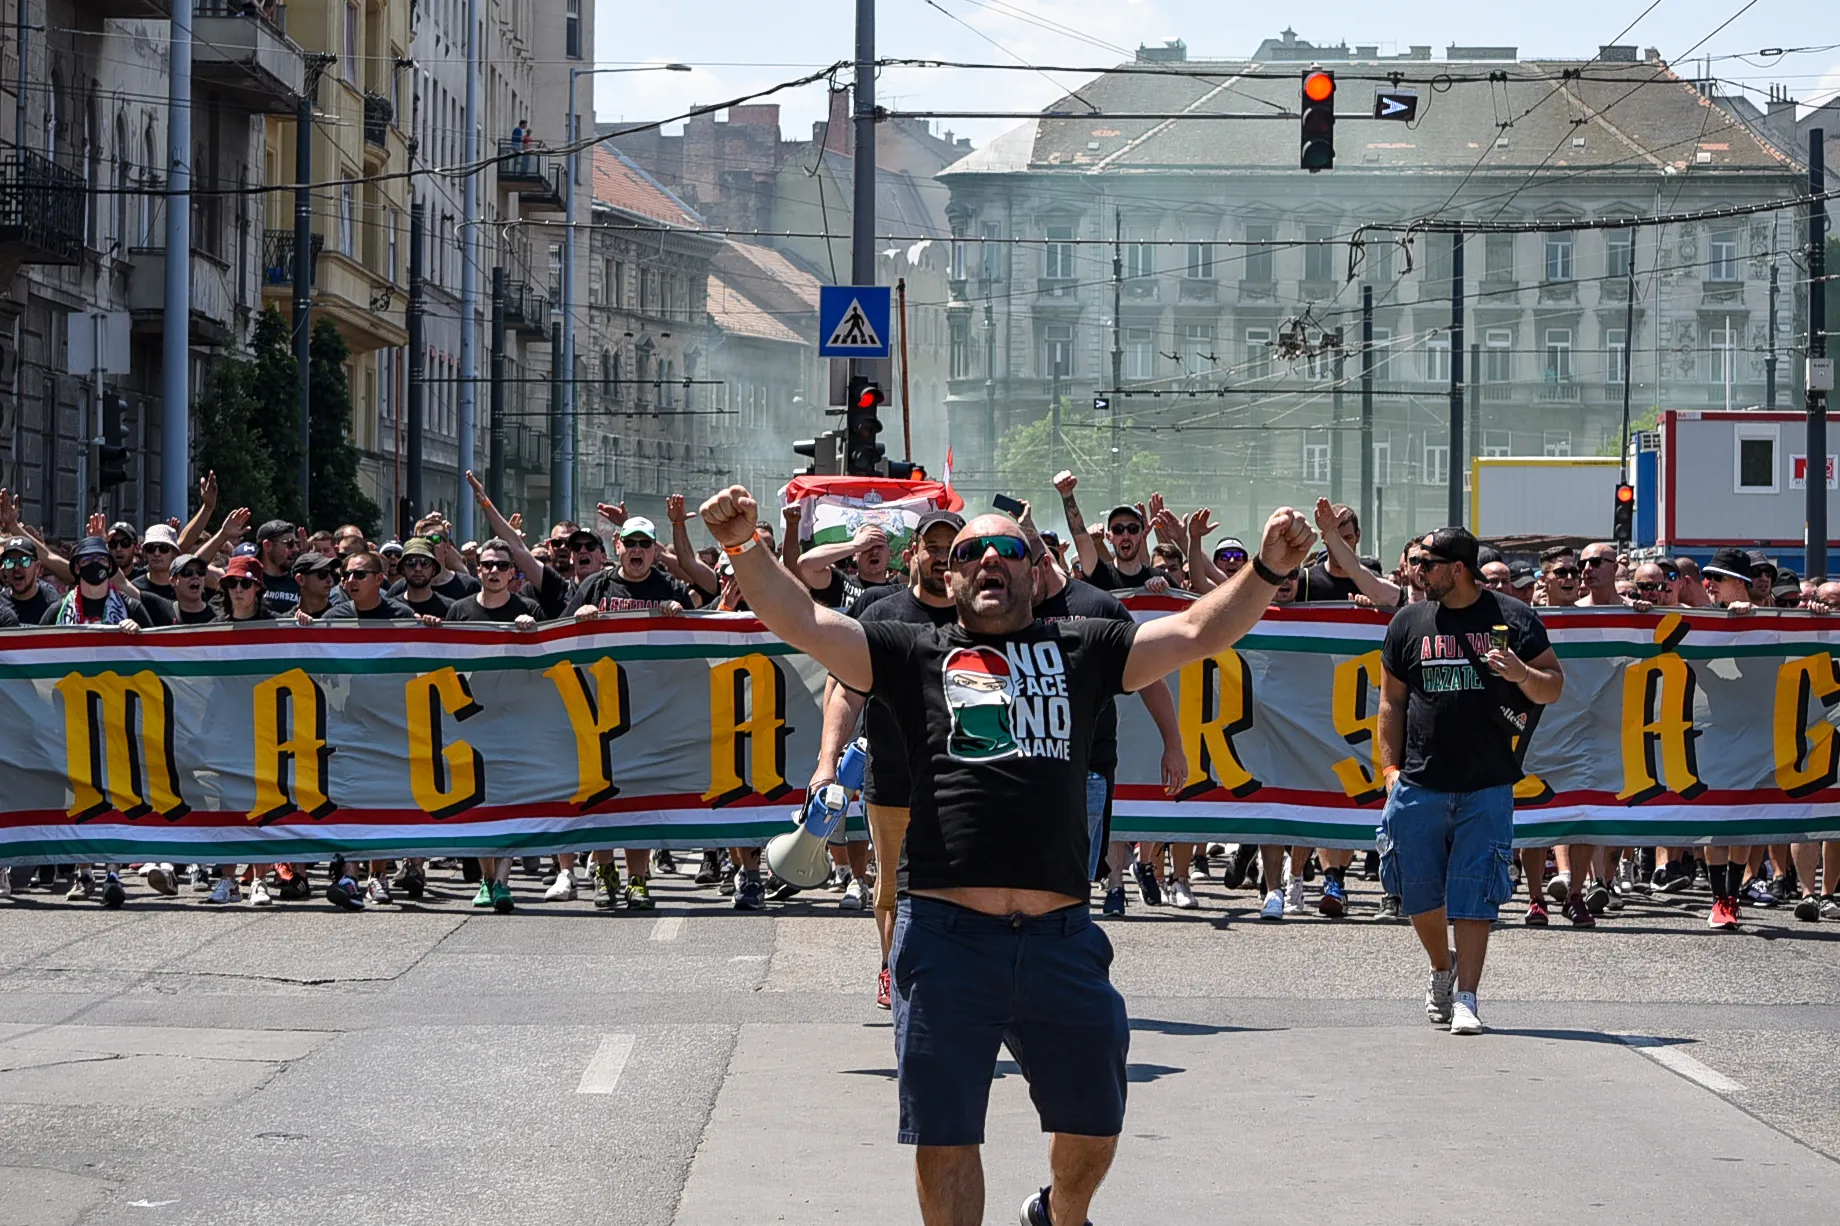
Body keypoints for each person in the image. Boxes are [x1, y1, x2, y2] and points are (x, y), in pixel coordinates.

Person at [698, 481, 1316, 1226]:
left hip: (1061, 939)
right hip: (947, 939)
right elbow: (802, 620)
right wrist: (742, 544)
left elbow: (1194, 634)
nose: (990, 559)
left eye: (1008, 549)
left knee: (1095, 1123)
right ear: (948, 575)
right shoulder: (910, 650)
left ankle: (1061, 1212)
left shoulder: (1085, 643)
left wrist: (1270, 570)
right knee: (946, 1133)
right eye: (970, 552)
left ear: (1036, 569)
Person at [1378, 526, 1564, 1036]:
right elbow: (1391, 701)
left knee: (1475, 893)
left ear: (1457, 569)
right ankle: (1442, 966)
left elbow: (1553, 686)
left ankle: (1468, 996)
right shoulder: (1408, 622)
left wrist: (1521, 673)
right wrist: (1390, 769)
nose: (1417, 572)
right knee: (1417, 892)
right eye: (1416, 563)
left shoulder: (1513, 617)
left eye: (1427, 564)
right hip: (1418, 781)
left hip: (1487, 782)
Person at [42, 537, 152, 629]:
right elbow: (37, 650)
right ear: (77, 568)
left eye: (101, 559)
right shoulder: (57, 611)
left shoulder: (132, 608)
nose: (95, 564)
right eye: (87, 560)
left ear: (109, 567)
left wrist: (139, 633)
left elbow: (154, 649)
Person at [0, 535, 59, 625]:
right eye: (10, 562)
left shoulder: (52, 603)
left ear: (37, 567)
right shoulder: (1, 604)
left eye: (24, 561)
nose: (16, 568)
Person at [391, 538, 457, 617]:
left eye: (424, 562)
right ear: (402, 569)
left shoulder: (451, 609)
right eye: (411, 563)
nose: (418, 569)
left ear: (434, 569)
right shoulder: (390, 609)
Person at [255, 520, 303, 614]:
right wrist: (224, 535)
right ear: (267, 546)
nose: (295, 549)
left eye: (297, 544)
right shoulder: (246, 582)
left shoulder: (301, 580)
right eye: (289, 544)